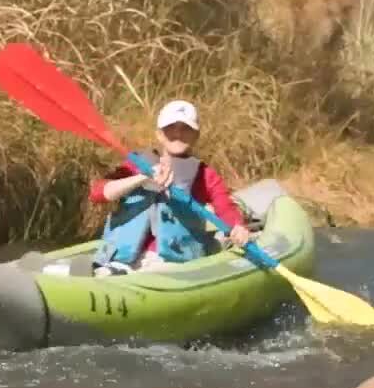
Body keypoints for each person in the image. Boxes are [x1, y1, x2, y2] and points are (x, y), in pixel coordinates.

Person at [89, 100, 254, 276]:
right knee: (89, 271)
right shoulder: (136, 164)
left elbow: (225, 208)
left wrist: (237, 227)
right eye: (171, 127)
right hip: (120, 256)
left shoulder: (204, 175)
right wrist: (142, 178)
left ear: (196, 135)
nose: (178, 133)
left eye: (186, 128)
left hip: (173, 260)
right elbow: (98, 193)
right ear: (159, 134)